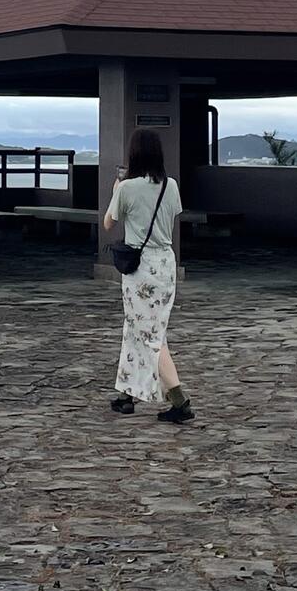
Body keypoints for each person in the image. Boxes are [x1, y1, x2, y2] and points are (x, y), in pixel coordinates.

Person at [103, 127, 192, 422]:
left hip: (140, 269)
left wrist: (116, 190)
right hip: (165, 263)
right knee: (138, 327)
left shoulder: (127, 188)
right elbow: (173, 217)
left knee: (150, 335)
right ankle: (126, 395)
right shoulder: (172, 185)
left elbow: (108, 223)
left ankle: (180, 401)